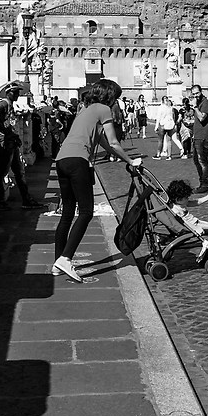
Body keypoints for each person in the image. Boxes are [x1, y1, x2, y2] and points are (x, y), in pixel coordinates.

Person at [51, 82, 142, 283]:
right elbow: (114, 142)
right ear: (110, 96)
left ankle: (57, 262)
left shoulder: (86, 109)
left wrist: (118, 156)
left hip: (62, 159)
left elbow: (102, 141)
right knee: (86, 212)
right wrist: (130, 161)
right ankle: (66, 259)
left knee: (67, 213)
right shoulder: (104, 109)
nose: (116, 101)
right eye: (116, 97)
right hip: (78, 161)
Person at [0, 82, 32, 209]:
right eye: (15, 92)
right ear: (8, 93)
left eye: (18, 92)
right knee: (2, 172)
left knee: (19, 171)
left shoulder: (10, 105)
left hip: (12, 142)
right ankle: (0, 200)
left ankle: (26, 199)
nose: (17, 94)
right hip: (6, 143)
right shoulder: (3, 104)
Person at [182, 86, 208, 199]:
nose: (195, 96)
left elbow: (202, 118)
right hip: (197, 136)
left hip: (203, 137)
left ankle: (204, 184)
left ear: (201, 92)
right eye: (194, 94)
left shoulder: (206, 104)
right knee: (196, 160)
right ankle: (202, 182)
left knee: (202, 161)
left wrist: (195, 107)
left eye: (197, 93)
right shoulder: (199, 103)